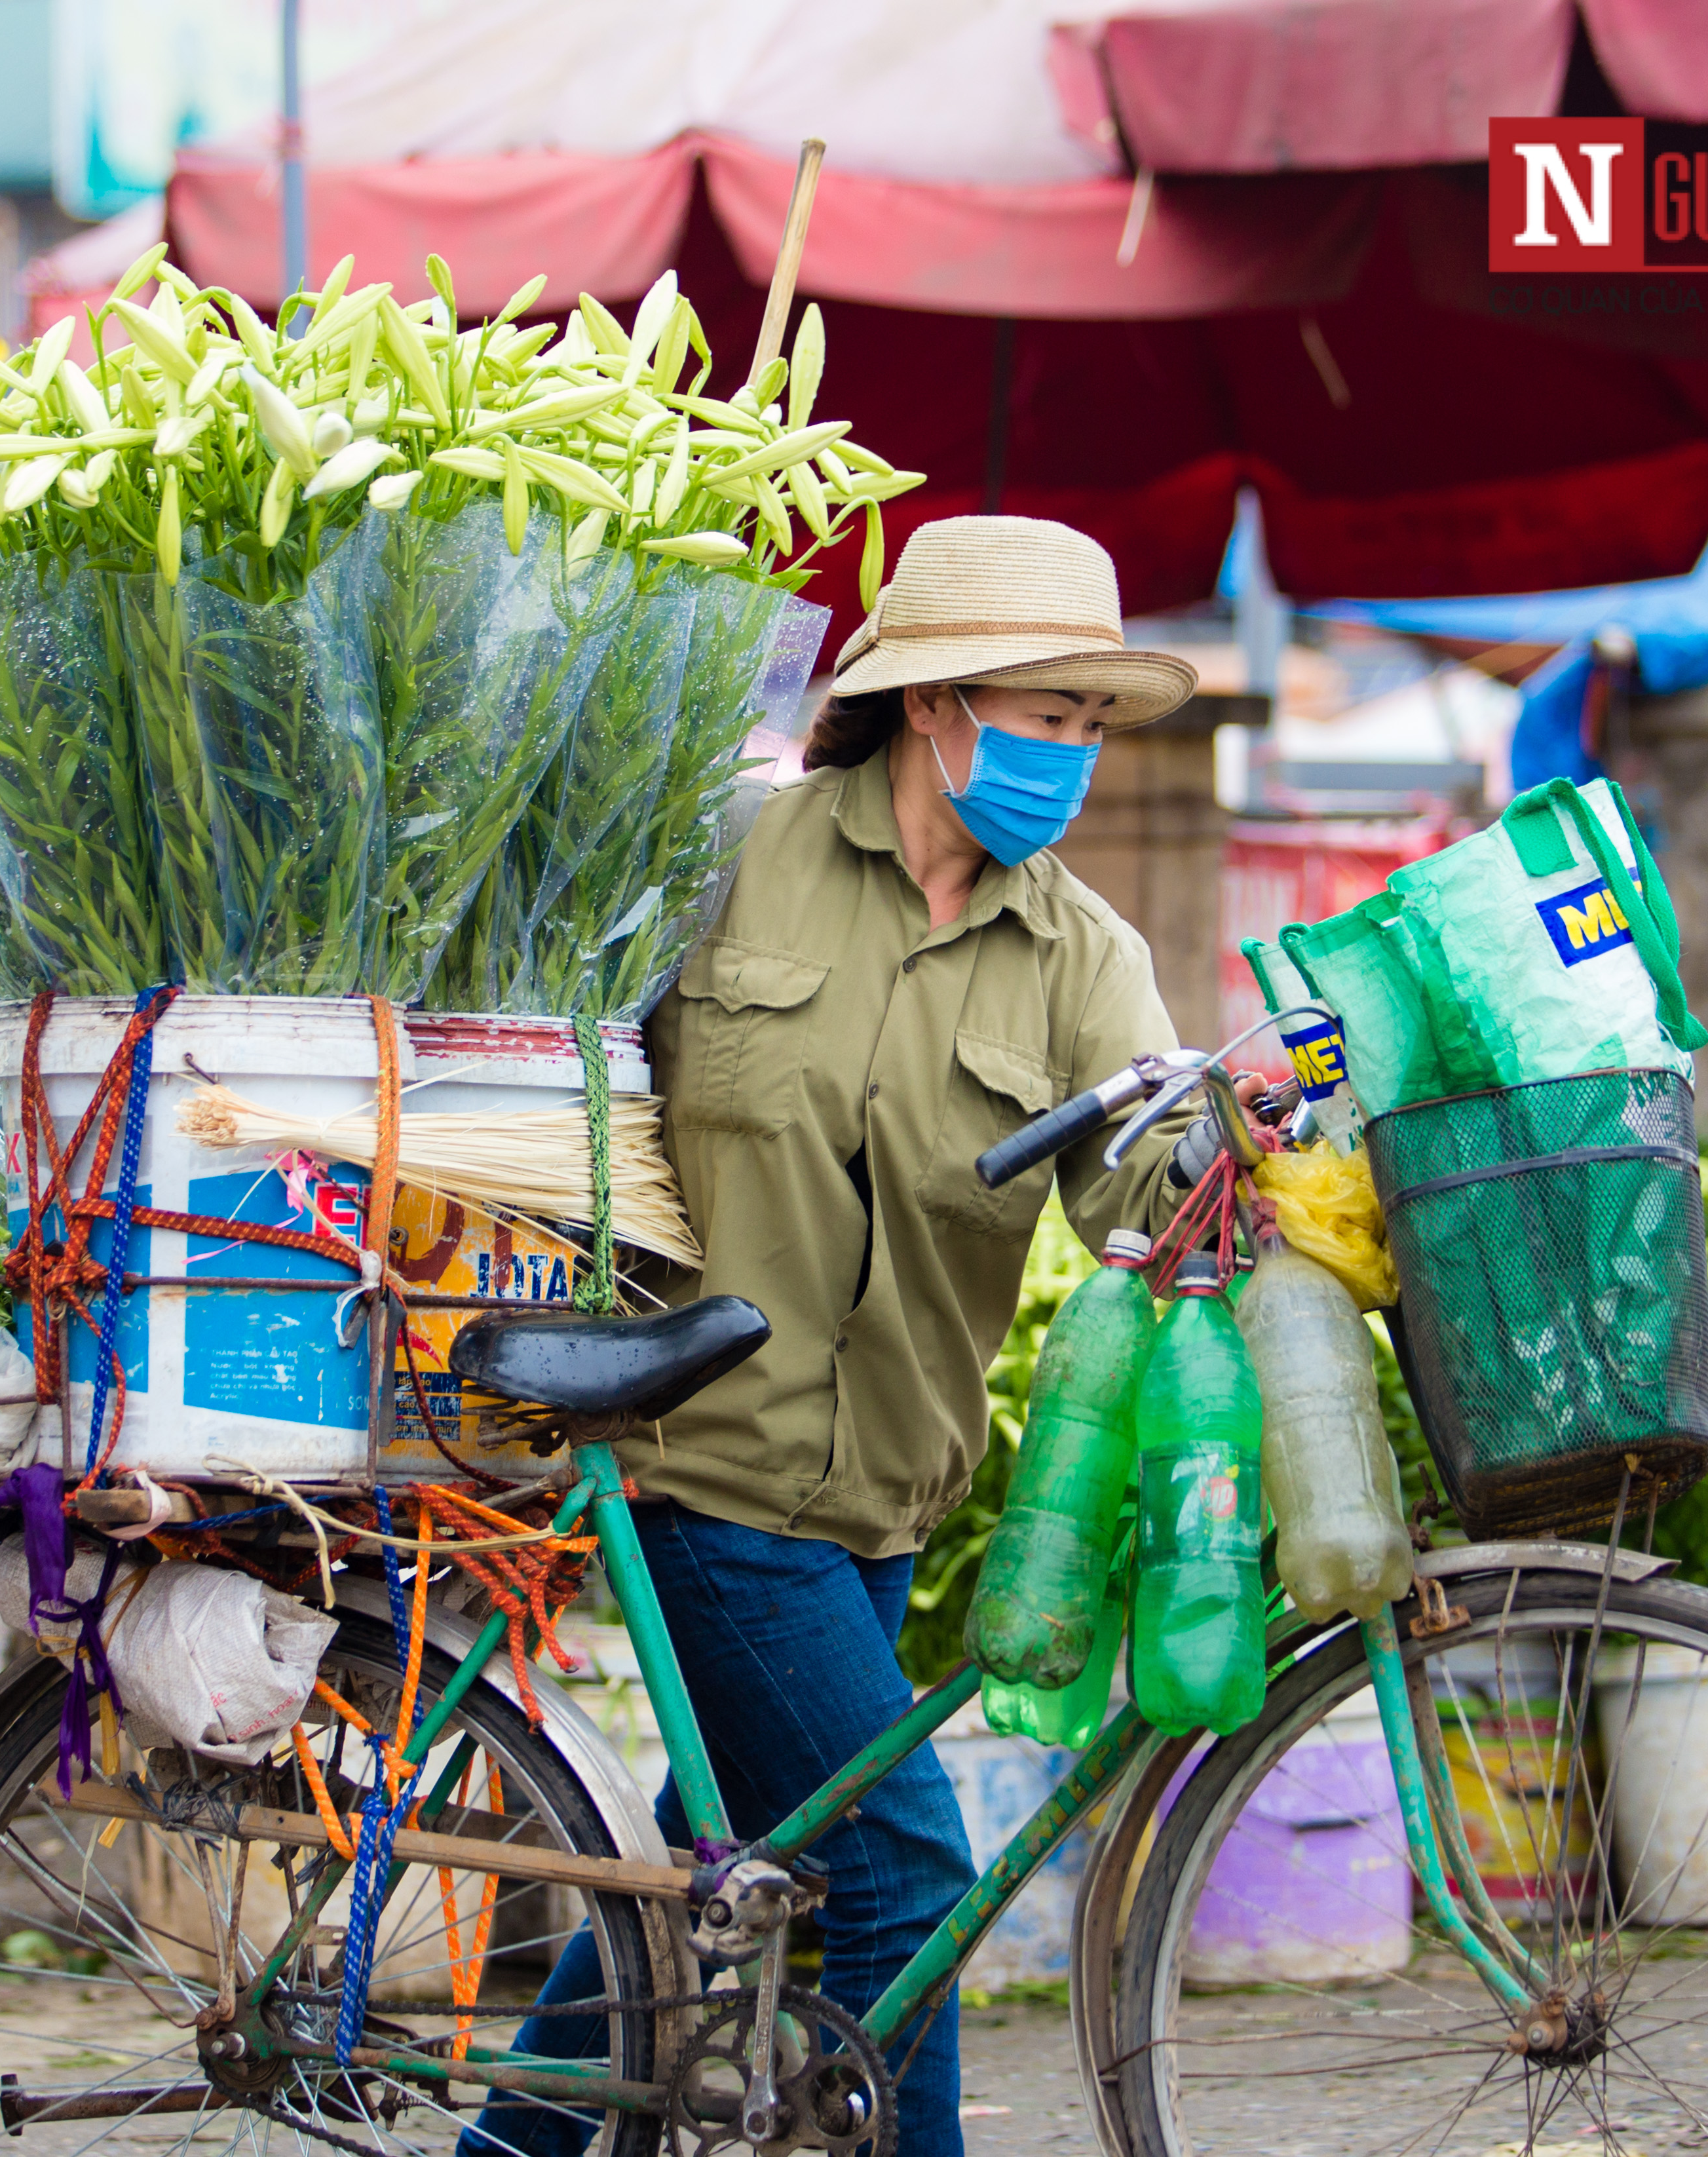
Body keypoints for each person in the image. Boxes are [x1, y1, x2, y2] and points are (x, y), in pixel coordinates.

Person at [480, 517, 1230, 2157]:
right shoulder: (718, 856)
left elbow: (1141, 1177)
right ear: (935, 704)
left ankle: (510, 2147)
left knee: (702, 1880)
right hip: (700, 1470)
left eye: (1091, 724)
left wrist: (1254, 1156)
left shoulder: (1083, 958)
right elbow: (543, 1061)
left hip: (881, 1501)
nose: (1069, 755)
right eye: (1045, 713)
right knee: (906, 1875)